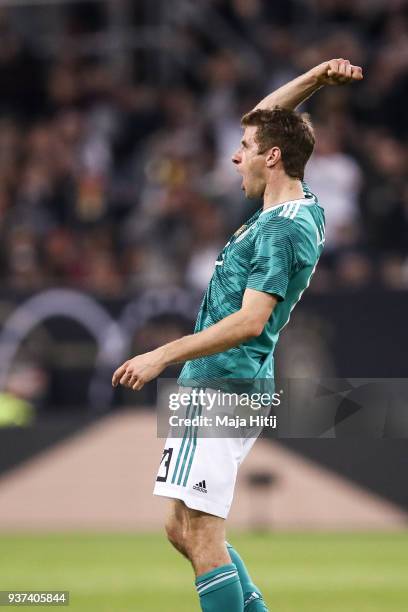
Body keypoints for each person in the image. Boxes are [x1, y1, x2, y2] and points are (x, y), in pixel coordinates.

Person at [112, 59, 363, 612]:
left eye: (245, 147)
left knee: (201, 533)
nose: (234, 156)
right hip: (223, 386)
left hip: (223, 388)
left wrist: (160, 354)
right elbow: (270, 117)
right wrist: (317, 78)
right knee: (182, 529)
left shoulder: (282, 229)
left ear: (272, 157)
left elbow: (250, 320)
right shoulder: (301, 208)